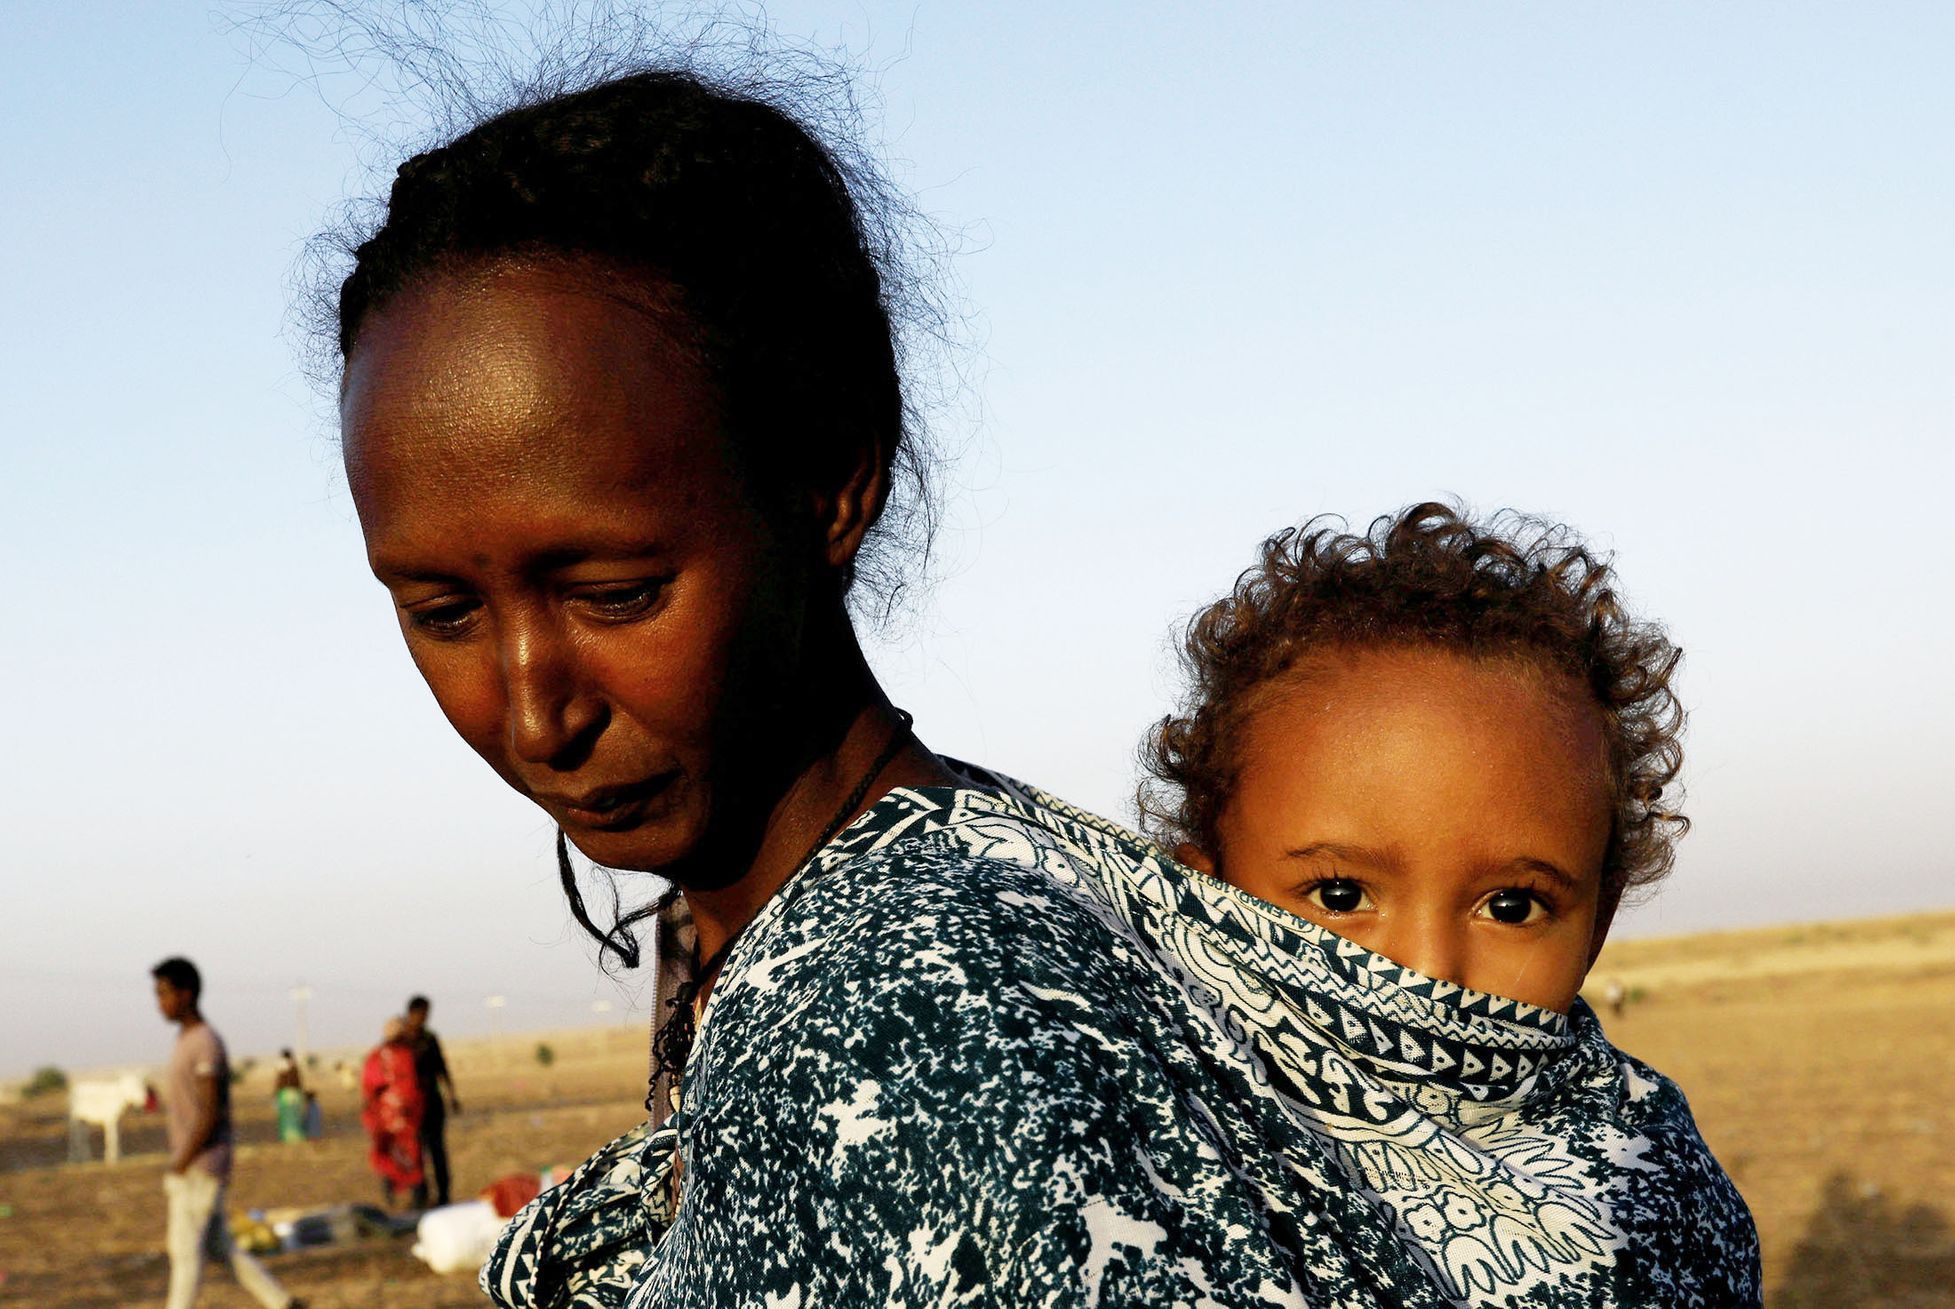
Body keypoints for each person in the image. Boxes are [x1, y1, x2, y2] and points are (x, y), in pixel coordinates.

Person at [326, 61, 1759, 1309]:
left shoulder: (870, 1014)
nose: (531, 709)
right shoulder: (991, 882)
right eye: (441, 610)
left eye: (615, 592)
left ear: (831, 490)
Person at [1141, 503, 1762, 1300]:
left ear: (1596, 926)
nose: (1428, 969)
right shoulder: (1154, 1132)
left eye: (1510, 906)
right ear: (1201, 897)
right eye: (1340, 894)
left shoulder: (1653, 1179)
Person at [151, 957, 303, 1309]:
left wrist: (181, 1163)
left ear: (186, 994)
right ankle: (282, 1302)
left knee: (185, 1252)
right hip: (199, 1162)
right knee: (222, 1249)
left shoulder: (204, 1042)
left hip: (201, 1164)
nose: (160, 1003)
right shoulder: (188, 1039)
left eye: (164, 993)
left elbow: (209, 1111)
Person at [360, 1018, 425, 1208]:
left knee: (409, 1157)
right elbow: (371, 1088)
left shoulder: (407, 1054)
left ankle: (412, 1200)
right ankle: (398, 1200)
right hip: (391, 1118)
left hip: (405, 1118)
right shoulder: (382, 1057)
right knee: (393, 1157)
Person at [402, 995, 460, 1207]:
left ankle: (443, 1196)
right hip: (410, 1106)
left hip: (432, 1103)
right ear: (413, 1013)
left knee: (437, 1151)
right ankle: (419, 1196)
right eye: (423, 1013)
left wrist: (451, 1095)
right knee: (414, 1152)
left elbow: (442, 1068)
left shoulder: (429, 1038)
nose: (426, 1018)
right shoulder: (402, 1040)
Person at [271, 1048, 307, 1143]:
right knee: (295, 1115)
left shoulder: (281, 1067)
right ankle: (296, 1137)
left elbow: (278, 1082)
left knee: (285, 1116)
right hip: (295, 1094)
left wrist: (275, 1095)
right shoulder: (294, 1066)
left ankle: (287, 1137)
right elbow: (299, 1082)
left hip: (284, 1095)